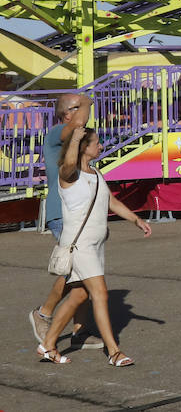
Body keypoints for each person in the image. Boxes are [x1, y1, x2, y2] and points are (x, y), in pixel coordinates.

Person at [37, 126, 153, 366]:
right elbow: (69, 164)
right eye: (96, 143)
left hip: (95, 246)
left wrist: (136, 219)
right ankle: (114, 352)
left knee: (78, 296)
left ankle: (47, 345)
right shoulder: (68, 174)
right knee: (100, 293)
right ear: (82, 147)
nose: (100, 146)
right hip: (80, 246)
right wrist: (74, 140)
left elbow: (111, 201)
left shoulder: (96, 173)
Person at [31, 94, 99, 350]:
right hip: (62, 212)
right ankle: (44, 313)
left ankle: (80, 331)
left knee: (82, 274)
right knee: (77, 270)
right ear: (67, 114)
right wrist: (86, 101)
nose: (84, 111)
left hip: (79, 213)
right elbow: (80, 123)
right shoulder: (58, 132)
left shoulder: (74, 138)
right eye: (77, 108)